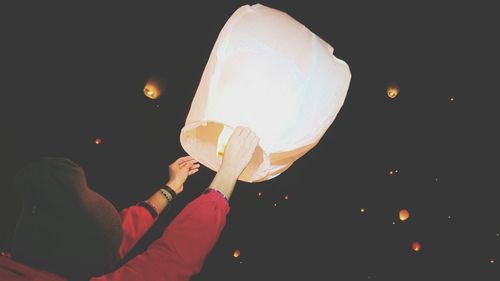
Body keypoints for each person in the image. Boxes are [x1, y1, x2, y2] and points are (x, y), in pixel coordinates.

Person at [0, 126, 259, 281]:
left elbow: (108, 237)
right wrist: (229, 170)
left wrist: (170, 188)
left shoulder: (35, 255)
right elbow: (170, 260)